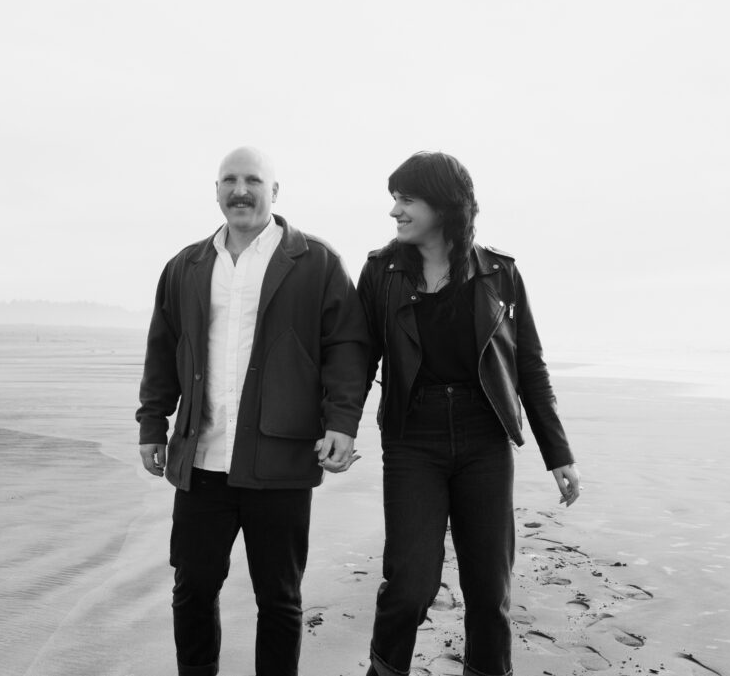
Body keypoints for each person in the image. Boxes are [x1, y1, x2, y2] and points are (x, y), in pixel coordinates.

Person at [136, 146, 368, 676]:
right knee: (192, 587)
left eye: (252, 180)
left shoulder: (316, 262)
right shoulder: (185, 266)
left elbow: (346, 350)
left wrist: (342, 423)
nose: (240, 191)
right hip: (201, 461)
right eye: (229, 180)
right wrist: (153, 423)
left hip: (279, 463)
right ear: (216, 190)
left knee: (279, 598)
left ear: (275, 191)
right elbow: (162, 350)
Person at [356, 151, 582, 676]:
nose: (395, 211)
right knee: (411, 584)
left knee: (489, 589)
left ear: (443, 205)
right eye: (394, 199)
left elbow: (529, 366)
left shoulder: (501, 274)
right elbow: (358, 357)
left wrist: (559, 453)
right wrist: (338, 427)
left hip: (486, 439)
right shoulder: (381, 273)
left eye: (406, 199)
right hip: (414, 439)